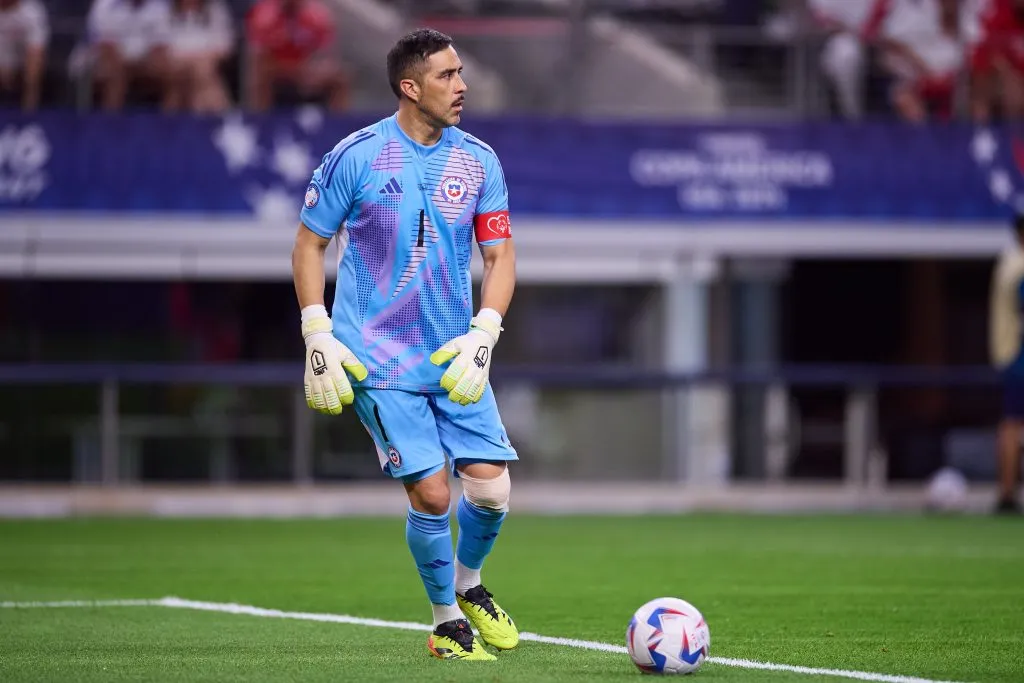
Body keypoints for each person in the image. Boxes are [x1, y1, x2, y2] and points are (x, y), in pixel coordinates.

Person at [290, 28, 518, 660]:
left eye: (461, 72)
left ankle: (469, 585)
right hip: (377, 355)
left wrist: (484, 333)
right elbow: (309, 244)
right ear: (409, 87)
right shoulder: (356, 156)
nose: (462, 86)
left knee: (491, 490)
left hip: (452, 353)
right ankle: (447, 623)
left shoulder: (479, 161)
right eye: (447, 75)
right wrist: (316, 331)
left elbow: (500, 256)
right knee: (433, 494)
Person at [988, 214, 1024, 515]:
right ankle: (1007, 492)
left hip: (1010, 355)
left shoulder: (1008, 261)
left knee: (1010, 424)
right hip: (1019, 355)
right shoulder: (1019, 266)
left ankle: (1006, 492)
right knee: (1012, 425)